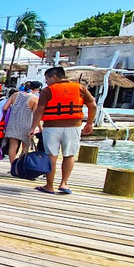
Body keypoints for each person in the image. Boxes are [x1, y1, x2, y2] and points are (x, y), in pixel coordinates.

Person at [29, 67, 97, 195]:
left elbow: (40, 110)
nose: (46, 81)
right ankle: (64, 183)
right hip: (73, 126)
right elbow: (92, 104)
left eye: (47, 78)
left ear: (54, 77)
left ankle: (49, 186)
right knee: (69, 155)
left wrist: (33, 127)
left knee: (51, 156)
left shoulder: (48, 90)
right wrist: (89, 123)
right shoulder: (80, 88)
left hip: (52, 127)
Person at [2, 84, 39, 166]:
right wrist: (38, 127)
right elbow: (36, 115)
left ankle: (13, 167)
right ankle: (20, 166)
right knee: (25, 148)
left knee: (13, 147)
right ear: (34, 89)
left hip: (13, 124)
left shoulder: (15, 95)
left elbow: (4, 108)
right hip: (27, 125)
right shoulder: (35, 99)